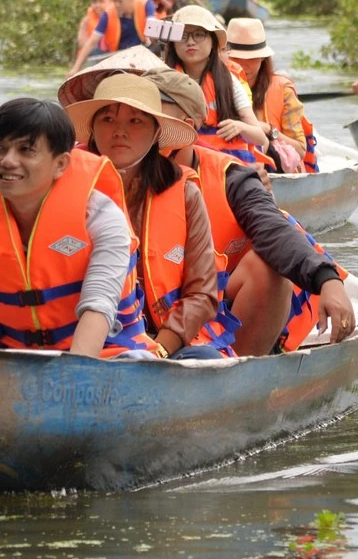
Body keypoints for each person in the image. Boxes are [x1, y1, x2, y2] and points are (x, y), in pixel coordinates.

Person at [149, 70, 356, 357]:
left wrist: (327, 280)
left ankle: (241, 369)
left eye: (152, 122)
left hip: (219, 305)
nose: (140, 131)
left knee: (268, 267)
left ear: (186, 127)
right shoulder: (118, 171)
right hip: (147, 309)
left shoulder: (231, 178)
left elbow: (275, 231)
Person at [0, 98, 148, 357]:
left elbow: (98, 307)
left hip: (104, 356)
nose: (8, 161)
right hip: (9, 358)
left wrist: (72, 377)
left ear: (61, 165)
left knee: (136, 358)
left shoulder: (102, 218)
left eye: (26, 150)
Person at [61, 72, 233, 359]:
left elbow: (202, 294)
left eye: (135, 120)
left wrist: (160, 349)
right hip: (76, 339)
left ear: (156, 133)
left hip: (160, 340)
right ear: (92, 129)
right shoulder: (63, 187)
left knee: (206, 361)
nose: (120, 131)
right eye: (107, 119)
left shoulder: (185, 193)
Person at [166, 5, 270, 165]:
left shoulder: (228, 82)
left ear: (213, 43)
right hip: (180, 165)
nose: (191, 42)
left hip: (225, 167)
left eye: (199, 35)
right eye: (183, 36)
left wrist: (240, 127)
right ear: (173, 44)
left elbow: (260, 137)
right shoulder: (164, 79)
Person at [227, 16, 318, 173]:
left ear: (263, 57)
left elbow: (300, 150)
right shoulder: (214, 85)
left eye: (251, 58)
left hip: (276, 169)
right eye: (236, 58)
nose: (242, 65)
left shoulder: (283, 89)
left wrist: (269, 130)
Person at [68, 0, 114, 75]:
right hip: (95, 56)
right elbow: (83, 44)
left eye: (101, 1)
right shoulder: (88, 19)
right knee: (93, 51)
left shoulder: (118, 16)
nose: (97, 5)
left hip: (113, 54)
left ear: (112, 2)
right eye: (94, 2)